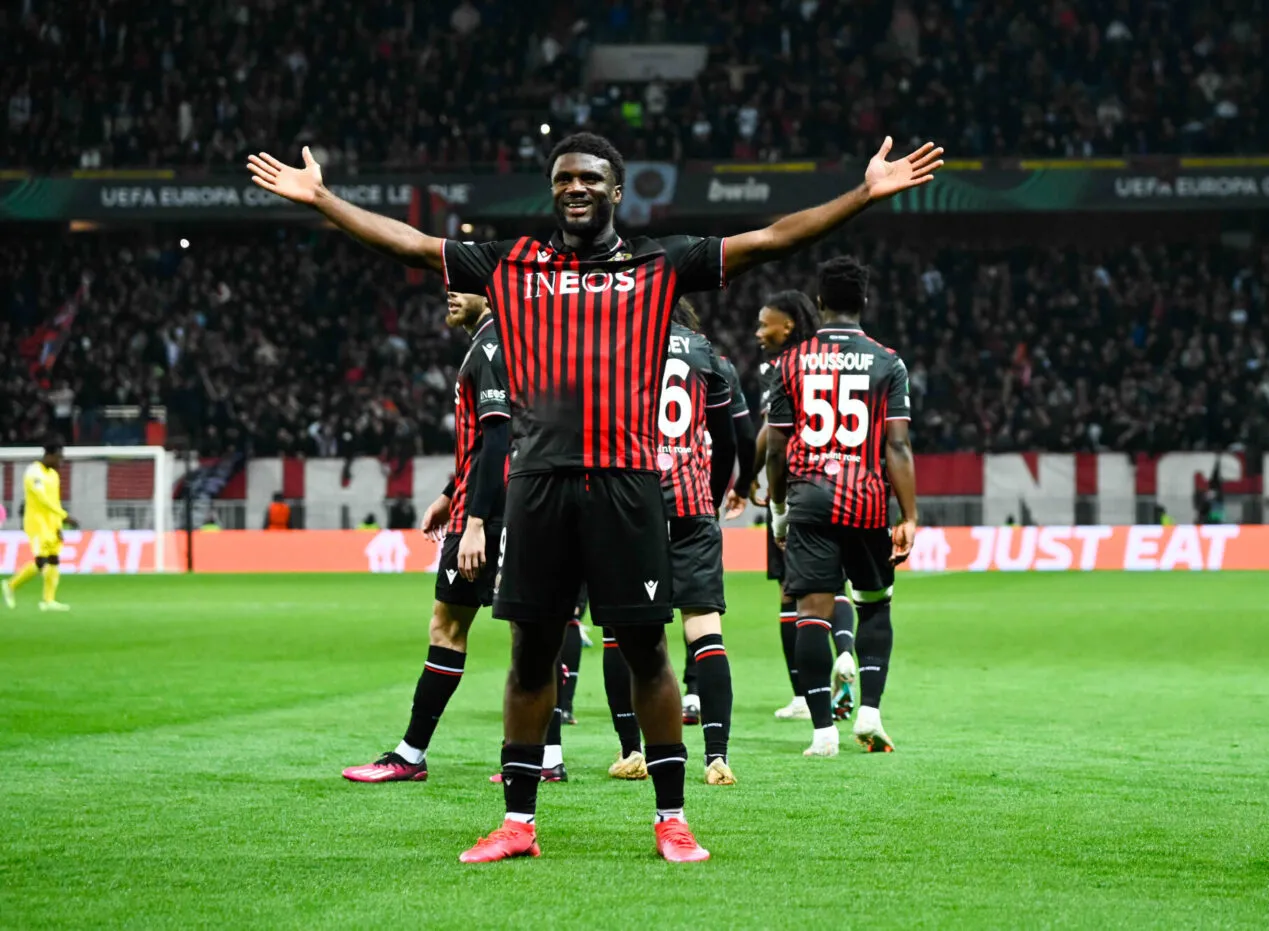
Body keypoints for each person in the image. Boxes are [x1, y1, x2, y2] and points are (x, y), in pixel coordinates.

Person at [248, 130, 943, 864]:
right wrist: (322, 199)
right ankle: (517, 823)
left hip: (627, 487)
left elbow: (771, 239)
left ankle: (672, 818)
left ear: (616, 190)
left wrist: (863, 195)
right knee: (530, 654)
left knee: (647, 651)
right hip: (538, 486)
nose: (573, 187)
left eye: (587, 177)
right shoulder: (512, 264)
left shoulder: (659, 263)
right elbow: (415, 246)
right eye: (562, 178)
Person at [341, 292, 524, 782]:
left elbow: (499, 439)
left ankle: (410, 754)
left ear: (490, 290)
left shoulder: (490, 348)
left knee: (450, 628)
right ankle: (542, 758)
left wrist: (476, 521)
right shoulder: (509, 342)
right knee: (529, 630)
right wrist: (448, 492)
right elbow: (491, 442)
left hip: (487, 513)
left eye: (462, 283)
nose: (450, 292)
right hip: (510, 504)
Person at [766, 257, 918, 757]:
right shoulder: (888, 362)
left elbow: (775, 448)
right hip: (866, 501)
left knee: (811, 612)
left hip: (809, 499)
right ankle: (869, 713)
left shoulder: (791, 362)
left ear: (819, 303)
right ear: (864, 302)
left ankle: (822, 734)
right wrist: (909, 515)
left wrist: (779, 508)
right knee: (874, 605)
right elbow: (897, 445)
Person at [601, 297, 740, 786]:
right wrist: (710, 499)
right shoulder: (705, 353)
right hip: (691, 506)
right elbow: (727, 441)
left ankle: (630, 751)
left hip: (631, 506)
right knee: (705, 632)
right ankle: (717, 756)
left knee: (618, 632)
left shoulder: (618, 346)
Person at [751, 292, 859, 722]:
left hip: (800, 488)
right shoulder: (840, 359)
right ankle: (846, 651)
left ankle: (802, 695)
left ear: (789, 325)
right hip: (847, 486)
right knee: (838, 585)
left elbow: (770, 435)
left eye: (765, 324)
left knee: (791, 591)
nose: (759, 333)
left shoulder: (783, 367)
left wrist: (747, 479)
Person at [2, 440, 74, 612]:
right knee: (41, 562)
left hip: (51, 523)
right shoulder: (34, 473)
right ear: (49, 455)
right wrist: (64, 515)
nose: (60, 461)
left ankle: (48, 601)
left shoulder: (53, 475)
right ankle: (10, 585)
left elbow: (55, 501)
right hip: (36, 523)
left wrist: (58, 525)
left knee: (54, 559)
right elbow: (43, 500)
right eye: (58, 457)